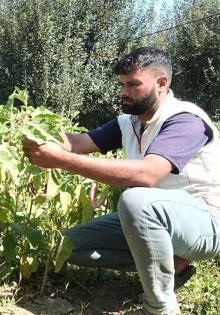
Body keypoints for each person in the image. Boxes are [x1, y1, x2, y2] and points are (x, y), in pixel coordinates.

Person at [22, 47, 220, 315]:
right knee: (67, 246)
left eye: (133, 85)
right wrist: (29, 132)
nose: (124, 93)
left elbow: (146, 175)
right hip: (154, 217)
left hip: (205, 222)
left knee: (135, 199)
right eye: (122, 85)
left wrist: (59, 160)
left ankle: (159, 307)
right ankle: (173, 265)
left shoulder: (185, 120)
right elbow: (78, 142)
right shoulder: (129, 122)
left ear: (162, 83)